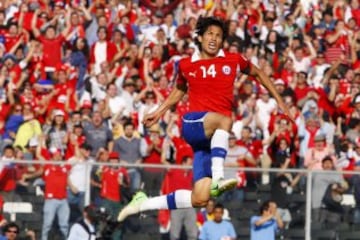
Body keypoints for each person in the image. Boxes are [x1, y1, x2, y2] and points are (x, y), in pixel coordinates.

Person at [118, 16, 289, 222]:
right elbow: (179, 90)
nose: (214, 38)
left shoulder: (233, 60)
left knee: (200, 197)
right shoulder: (186, 64)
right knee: (226, 120)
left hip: (209, 140)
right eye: (209, 34)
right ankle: (218, 178)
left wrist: (279, 100)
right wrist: (159, 111)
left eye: (218, 35)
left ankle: (143, 203)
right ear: (199, 38)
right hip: (193, 123)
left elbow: (259, 73)